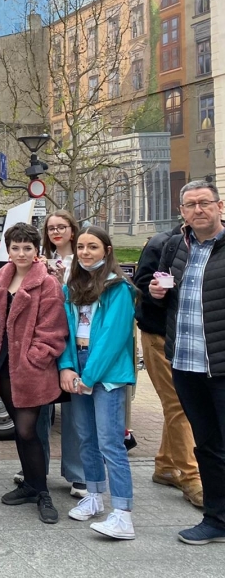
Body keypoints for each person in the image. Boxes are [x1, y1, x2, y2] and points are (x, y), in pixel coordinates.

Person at [149, 180, 225, 545]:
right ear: (182, 212)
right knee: (206, 445)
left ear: (219, 206)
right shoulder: (175, 246)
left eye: (205, 203)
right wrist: (156, 293)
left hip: (221, 364)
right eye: (191, 205)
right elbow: (165, 295)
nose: (198, 210)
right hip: (186, 362)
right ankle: (216, 518)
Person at [0, 223, 67, 525]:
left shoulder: (47, 283)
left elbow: (54, 328)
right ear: (8, 249)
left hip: (31, 367)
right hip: (3, 363)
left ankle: (42, 492)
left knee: (29, 429)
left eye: (27, 248)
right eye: (15, 247)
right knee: (19, 429)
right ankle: (31, 484)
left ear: (36, 251)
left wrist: (35, 357)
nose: (21, 253)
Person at [59, 226, 136, 540]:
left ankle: (123, 514)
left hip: (107, 372)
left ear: (107, 250)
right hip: (79, 364)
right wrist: (66, 367)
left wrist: (89, 377)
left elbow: (113, 338)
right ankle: (93, 495)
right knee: (86, 438)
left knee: (110, 442)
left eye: (92, 247)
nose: (85, 252)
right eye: (81, 247)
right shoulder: (73, 286)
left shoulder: (119, 288)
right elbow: (65, 330)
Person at [134, 225, 202, 507]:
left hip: (194, 338)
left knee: (179, 404)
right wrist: (157, 293)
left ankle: (165, 465)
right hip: (159, 335)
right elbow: (141, 287)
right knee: (179, 404)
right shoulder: (162, 243)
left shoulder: (215, 247)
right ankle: (192, 477)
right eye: (192, 206)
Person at [38, 210, 87, 499]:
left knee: (75, 410)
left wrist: (63, 285)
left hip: (75, 339)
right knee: (40, 409)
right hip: (46, 338)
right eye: (51, 228)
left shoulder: (83, 261)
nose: (56, 232)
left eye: (61, 227)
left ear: (72, 230)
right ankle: (35, 468)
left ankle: (77, 473)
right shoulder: (41, 260)